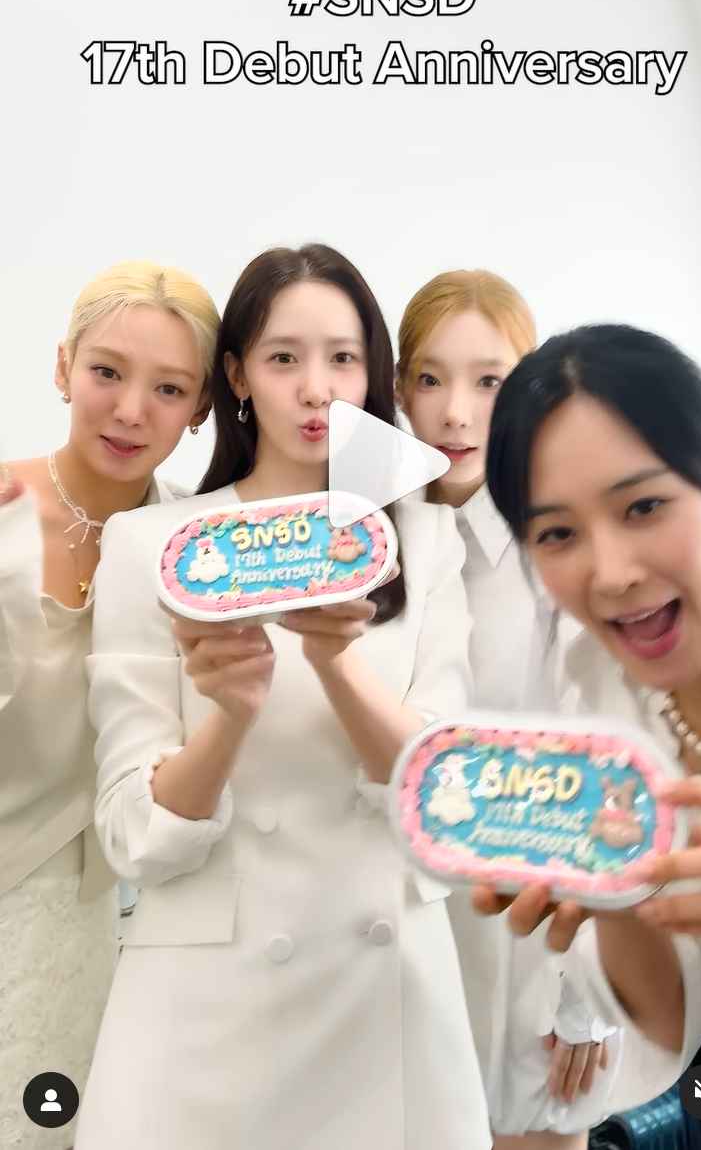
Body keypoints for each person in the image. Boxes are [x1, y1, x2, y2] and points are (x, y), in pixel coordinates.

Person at [73, 244, 492, 1150]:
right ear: (236, 376)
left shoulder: (426, 538)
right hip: (207, 1013)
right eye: (283, 358)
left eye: (342, 358)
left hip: (386, 1004)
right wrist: (230, 713)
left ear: (372, 374)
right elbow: (131, 833)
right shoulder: (155, 545)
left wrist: (337, 664)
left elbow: (448, 797)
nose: (316, 389)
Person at [481, 322, 701, 1149]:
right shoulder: (601, 694)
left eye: (643, 506)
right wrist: (615, 896)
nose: (611, 574)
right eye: (557, 534)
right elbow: (672, 1019)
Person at [0, 260, 219, 1150]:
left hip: (113, 922)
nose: (131, 410)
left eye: (168, 388)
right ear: (62, 368)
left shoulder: (203, 551)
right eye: (106, 372)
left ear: (202, 408)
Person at [397, 271, 618, 1150]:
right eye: (429, 378)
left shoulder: (558, 549)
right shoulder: (369, 541)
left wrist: (589, 1000)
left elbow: (605, 778)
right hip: (400, 936)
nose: (455, 413)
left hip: (532, 943)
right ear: (397, 386)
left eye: (488, 381)